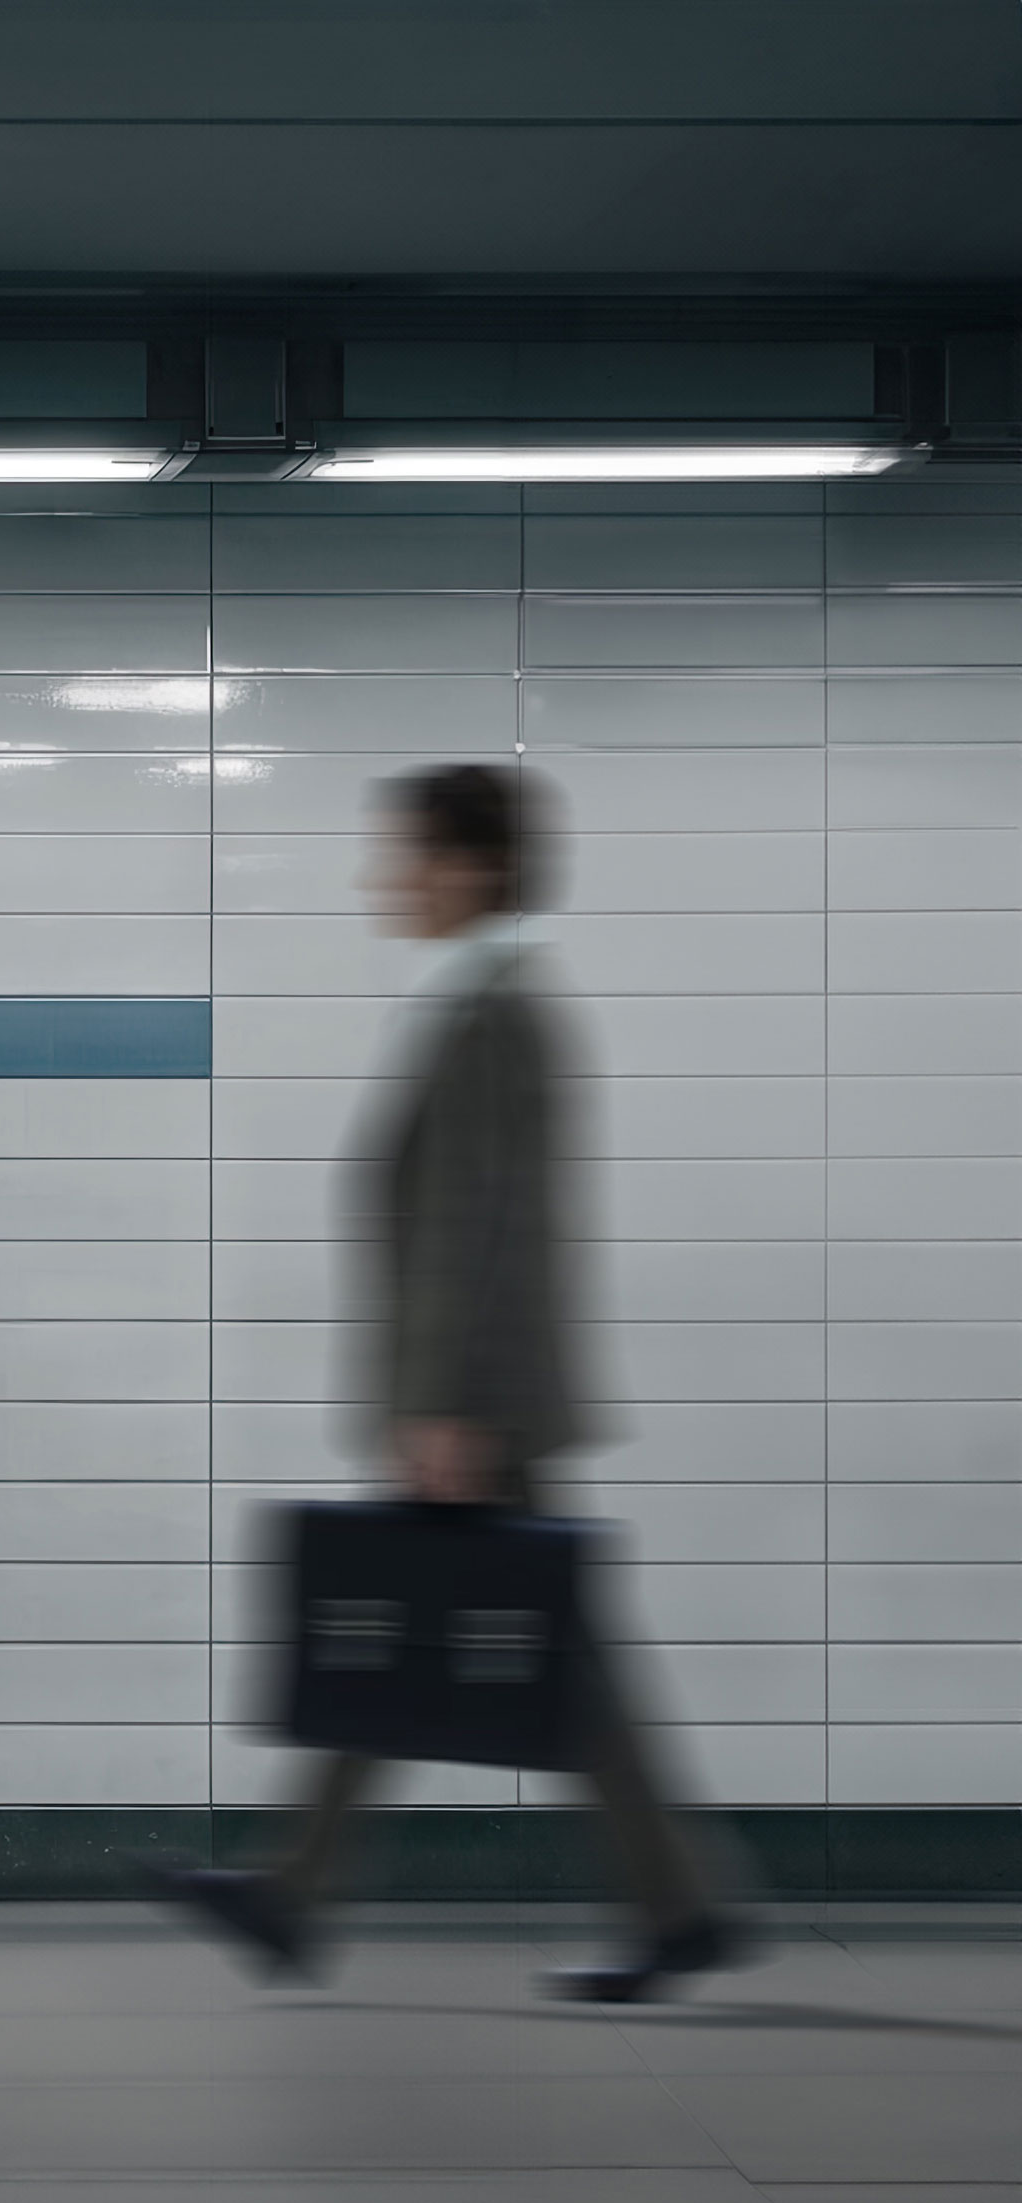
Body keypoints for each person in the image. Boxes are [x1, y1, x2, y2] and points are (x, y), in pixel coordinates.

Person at [153, 763, 752, 2005]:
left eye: (408, 855)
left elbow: (479, 1228)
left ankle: (301, 1891)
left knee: (457, 1632)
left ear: (472, 866)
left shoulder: (498, 1016)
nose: (386, 879)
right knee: (492, 1637)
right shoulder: (486, 1003)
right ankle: (310, 1890)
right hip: (482, 1396)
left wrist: (439, 1407)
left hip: (477, 1400)